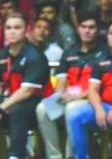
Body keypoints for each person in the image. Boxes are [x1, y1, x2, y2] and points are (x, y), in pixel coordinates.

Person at [0, 12, 50, 159]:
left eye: (17, 27)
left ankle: (16, 155)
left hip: (36, 101)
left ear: (26, 30)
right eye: (8, 28)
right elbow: (0, 84)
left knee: (17, 110)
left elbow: (27, 91)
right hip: (11, 99)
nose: (12, 31)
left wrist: (1, 109)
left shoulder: (35, 55)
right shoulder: (3, 54)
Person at [68, 18, 112, 159]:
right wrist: (99, 109)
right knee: (75, 117)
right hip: (105, 106)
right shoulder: (99, 59)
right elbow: (92, 90)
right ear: (107, 37)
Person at [36, 12, 104, 159]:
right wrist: (61, 94)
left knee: (71, 108)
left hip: (89, 99)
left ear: (97, 30)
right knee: (43, 109)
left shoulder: (103, 53)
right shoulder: (69, 52)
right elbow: (61, 80)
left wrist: (79, 96)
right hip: (68, 97)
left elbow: (102, 85)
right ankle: (54, 156)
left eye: (91, 27)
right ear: (78, 29)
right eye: (83, 27)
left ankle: (71, 156)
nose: (87, 31)